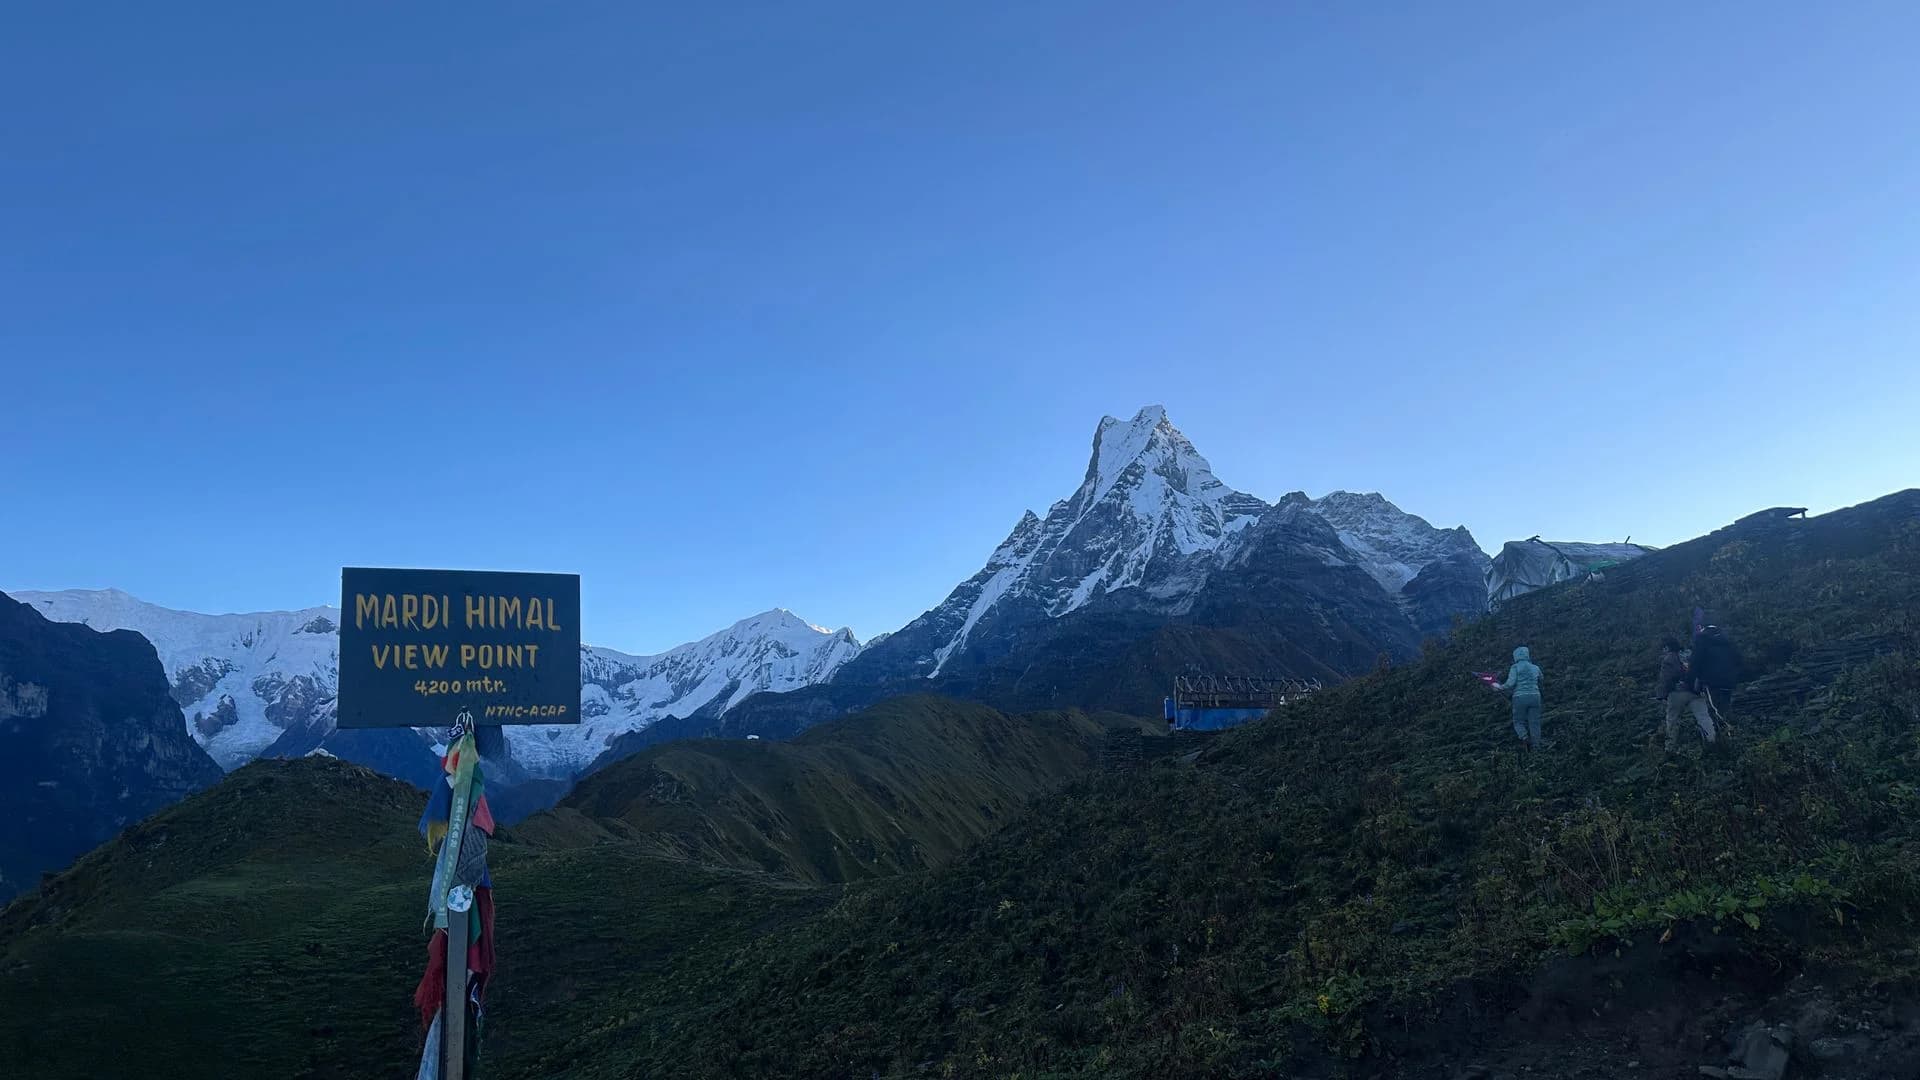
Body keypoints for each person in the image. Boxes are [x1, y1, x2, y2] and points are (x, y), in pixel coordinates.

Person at [1656, 636, 1714, 751]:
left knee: (1672, 720)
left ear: (1667, 647)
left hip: (1677, 693)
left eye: (1663, 648)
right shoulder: (1689, 655)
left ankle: (1670, 748)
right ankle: (1712, 742)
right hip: (1696, 691)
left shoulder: (1668, 659)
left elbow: (1666, 679)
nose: (1663, 650)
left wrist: (1662, 695)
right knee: (1703, 717)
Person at [1690, 624, 1743, 724]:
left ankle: (1729, 732)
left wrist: (1690, 680)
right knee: (1726, 706)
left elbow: (1695, 662)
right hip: (1729, 681)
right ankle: (1732, 732)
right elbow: (1738, 659)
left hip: (1712, 682)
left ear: (1702, 627)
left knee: (1716, 710)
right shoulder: (1726, 639)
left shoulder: (1702, 640)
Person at [1495, 645, 1544, 750]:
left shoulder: (1515, 667)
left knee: (1518, 721)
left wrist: (1499, 687)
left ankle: (1525, 737)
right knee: (1534, 722)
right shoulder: (1536, 667)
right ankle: (1536, 748)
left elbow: (1510, 683)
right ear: (1527, 655)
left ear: (1515, 657)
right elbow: (1541, 678)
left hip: (1519, 697)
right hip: (1535, 696)